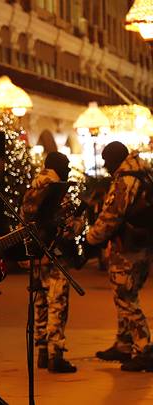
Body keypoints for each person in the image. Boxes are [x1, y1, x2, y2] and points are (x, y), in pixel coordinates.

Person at [84, 141, 153, 371]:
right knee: (126, 294)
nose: (104, 165)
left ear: (116, 158)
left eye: (106, 160)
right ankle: (124, 344)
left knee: (126, 297)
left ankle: (145, 349)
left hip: (129, 250)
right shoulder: (141, 174)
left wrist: (90, 238)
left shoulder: (126, 179)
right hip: (142, 246)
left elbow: (112, 216)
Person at [20, 151, 77, 373]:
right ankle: (56, 354)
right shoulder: (58, 190)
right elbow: (69, 225)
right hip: (55, 254)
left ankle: (42, 352)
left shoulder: (31, 190)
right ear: (59, 167)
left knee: (40, 303)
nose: (69, 169)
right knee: (57, 303)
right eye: (67, 165)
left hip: (36, 255)